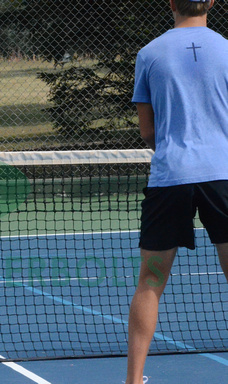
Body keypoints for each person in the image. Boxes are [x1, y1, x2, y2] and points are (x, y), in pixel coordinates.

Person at [127, 0, 228, 383]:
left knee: (150, 283)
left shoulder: (149, 53)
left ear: (170, 2)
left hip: (170, 178)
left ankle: (133, 380)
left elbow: (148, 131)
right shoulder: (227, 49)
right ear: (213, 2)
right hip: (224, 178)